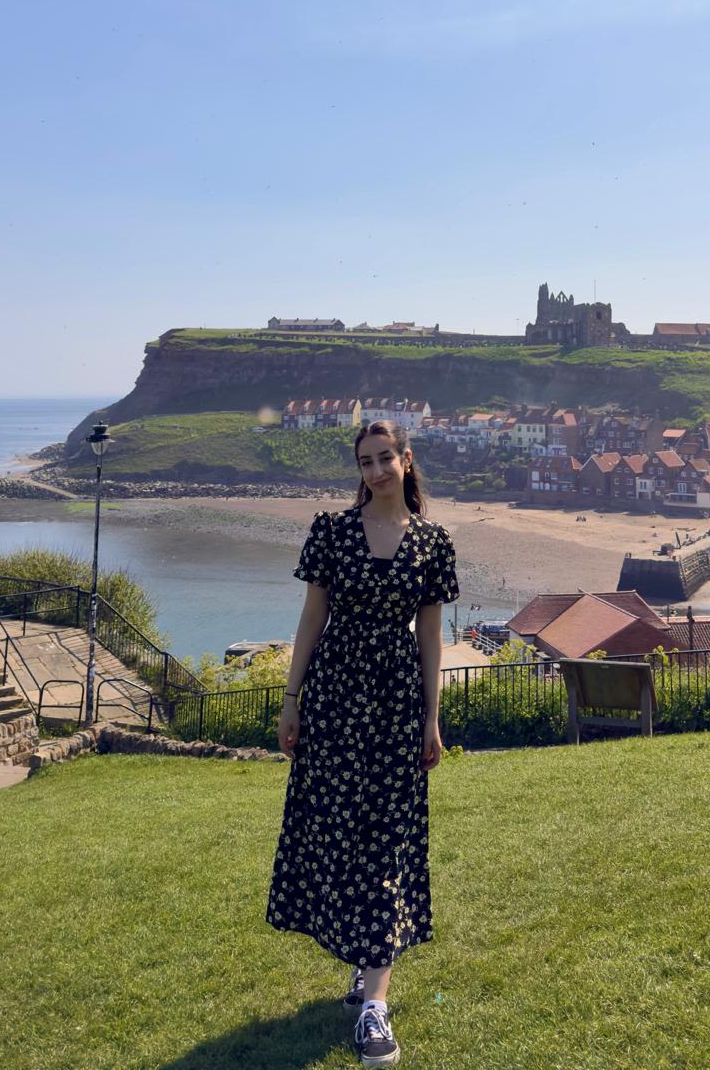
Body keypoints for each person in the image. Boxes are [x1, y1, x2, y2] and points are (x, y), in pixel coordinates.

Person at [266, 418, 460, 1067]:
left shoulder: (432, 542)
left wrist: (431, 717)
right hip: (333, 702)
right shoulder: (332, 531)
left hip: (396, 707)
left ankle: (375, 1003)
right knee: (339, 835)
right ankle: (364, 958)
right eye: (365, 462)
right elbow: (312, 617)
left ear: (406, 460)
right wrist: (291, 699)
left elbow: (430, 636)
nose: (375, 471)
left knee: (387, 840)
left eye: (385, 458)